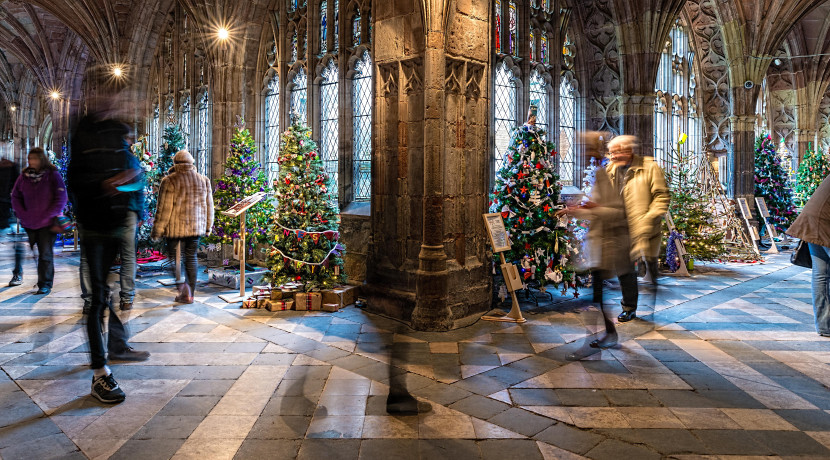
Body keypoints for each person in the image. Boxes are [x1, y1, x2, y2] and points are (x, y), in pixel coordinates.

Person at [67, 104, 150, 404]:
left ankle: (115, 344)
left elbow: (137, 180)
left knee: (106, 293)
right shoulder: (84, 133)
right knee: (97, 297)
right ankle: (100, 371)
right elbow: (75, 180)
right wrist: (107, 185)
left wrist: (132, 188)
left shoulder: (117, 134)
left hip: (117, 224)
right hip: (94, 227)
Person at [558, 134, 633, 348]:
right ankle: (607, 333)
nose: (585, 154)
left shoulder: (603, 175)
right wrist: (571, 211)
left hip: (606, 245)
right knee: (595, 296)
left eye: (587, 150)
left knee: (596, 296)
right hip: (599, 245)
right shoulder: (602, 174)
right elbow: (595, 210)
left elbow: (614, 212)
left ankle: (603, 336)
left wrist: (591, 209)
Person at [606, 135, 669, 322]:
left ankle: (652, 291)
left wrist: (649, 217)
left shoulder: (649, 167)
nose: (612, 156)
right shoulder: (610, 169)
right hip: (619, 227)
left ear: (627, 151)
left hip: (643, 225)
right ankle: (629, 307)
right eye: (611, 153)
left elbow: (661, 196)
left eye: (615, 152)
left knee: (650, 265)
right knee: (624, 268)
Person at [151, 150, 213, 304]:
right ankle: (190, 293)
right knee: (191, 258)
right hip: (195, 228)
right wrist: (208, 226)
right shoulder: (203, 180)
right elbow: (209, 206)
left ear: (175, 164)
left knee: (176, 260)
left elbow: (164, 209)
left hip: (175, 229)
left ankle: (183, 291)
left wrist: (158, 230)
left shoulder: (169, 180)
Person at [11, 148, 67, 295]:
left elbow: (61, 197)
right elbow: (16, 196)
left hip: (48, 223)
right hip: (29, 221)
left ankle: (45, 283)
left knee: (45, 254)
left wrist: (50, 214)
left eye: (35, 159)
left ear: (41, 159)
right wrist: (22, 213)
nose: (32, 162)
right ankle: (41, 278)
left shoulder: (52, 175)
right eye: (30, 159)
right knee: (36, 254)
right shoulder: (24, 176)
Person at [787, 174, 830, 337]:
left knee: (821, 274)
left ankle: (825, 326)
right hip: (824, 222)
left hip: (813, 221)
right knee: (822, 275)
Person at [0, 155, 23, 286]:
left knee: (16, 244)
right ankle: (18, 273)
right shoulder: (12, 167)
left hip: (9, 210)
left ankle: (18, 273)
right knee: (16, 244)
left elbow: (18, 189)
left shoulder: (12, 168)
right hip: (8, 209)